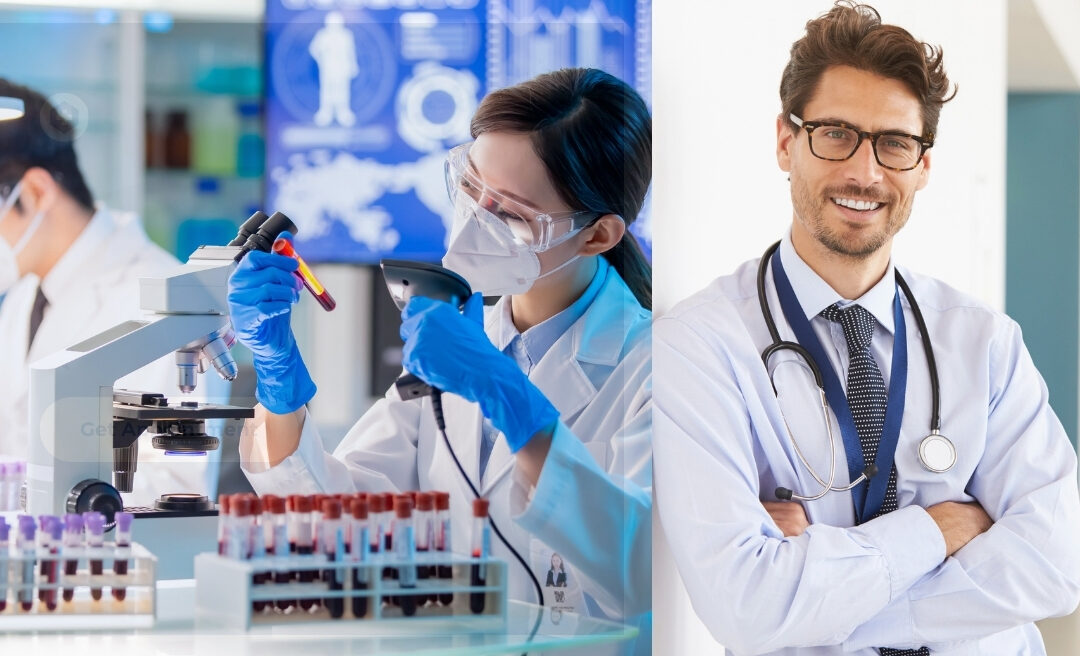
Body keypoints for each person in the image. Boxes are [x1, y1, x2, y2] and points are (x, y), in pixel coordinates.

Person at [654, 3, 1080, 655]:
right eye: (835, 134)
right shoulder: (699, 345)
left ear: (923, 165)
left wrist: (818, 603)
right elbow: (746, 607)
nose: (865, 171)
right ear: (784, 142)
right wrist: (940, 530)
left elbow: (1058, 559)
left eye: (894, 143)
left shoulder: (983, 342)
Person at [231, 67, 652, 643]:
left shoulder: (658, 362)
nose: (475, 220)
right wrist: (279, 380)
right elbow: (333, 524)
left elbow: (643, 568)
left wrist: (512, 399)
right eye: (471, 187)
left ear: (598, 235)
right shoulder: (457, 341)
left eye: (511, 215)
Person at [0, 79, 217, 505]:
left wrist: (28, 494)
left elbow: (177, 486)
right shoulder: (26, 294)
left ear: (37, 191)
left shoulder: (166, 300)